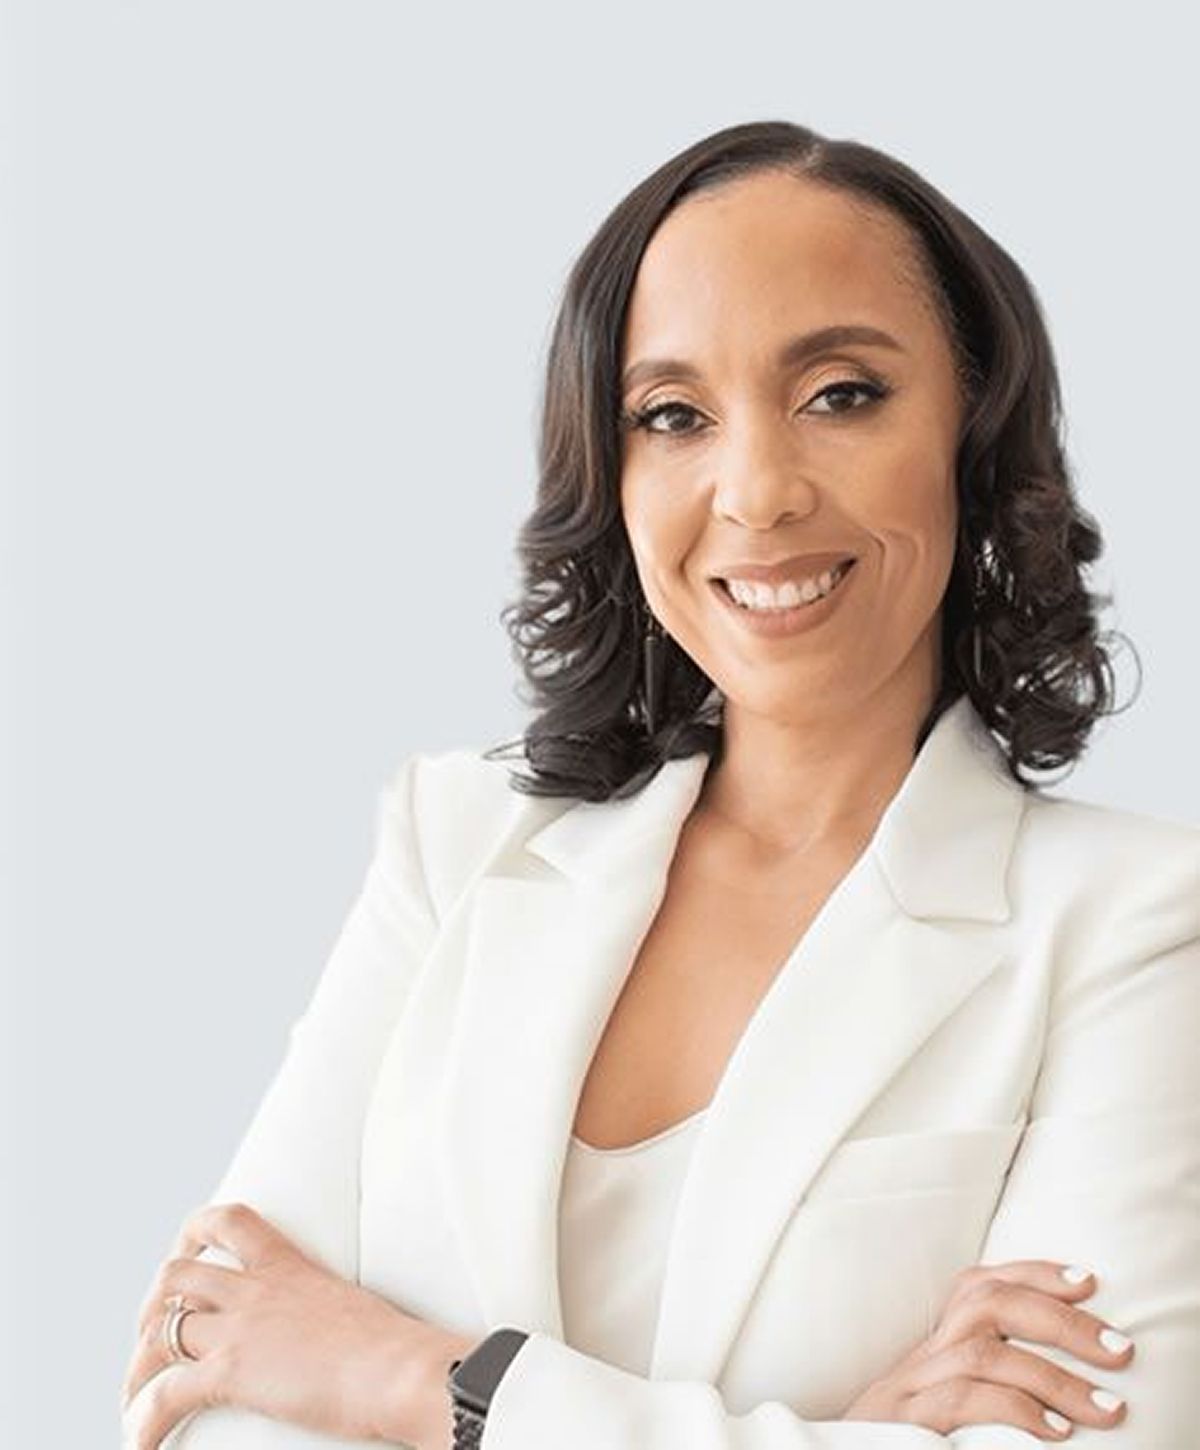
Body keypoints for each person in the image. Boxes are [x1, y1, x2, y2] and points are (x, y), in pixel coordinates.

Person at [120, 120, 1200, 1449]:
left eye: (842, 392)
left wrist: (433, 1387)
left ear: (972, 440)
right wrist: (833, 1429)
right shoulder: (453, 843)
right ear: (612, 473)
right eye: (672, 415)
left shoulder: (1137, 924)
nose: (755, 490)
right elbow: (209, 1392)